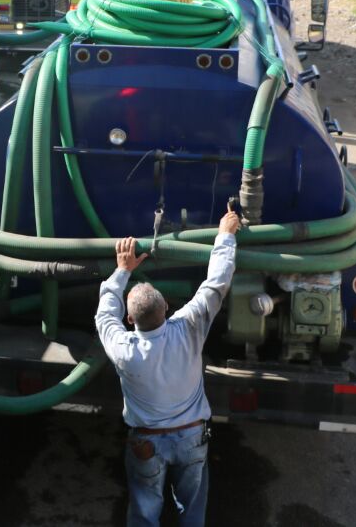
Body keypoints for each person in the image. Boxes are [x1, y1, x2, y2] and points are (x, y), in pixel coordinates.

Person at [95, 208, 240, 527]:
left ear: (130, 320)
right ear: (167, 308)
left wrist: (122, 270)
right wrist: (225, 235)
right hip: (191, 438)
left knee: (145, 511)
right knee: (192, 508)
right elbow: (216, 284)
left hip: (145, 443)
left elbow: (105, 315)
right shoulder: (188, 327)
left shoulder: (123, 348)